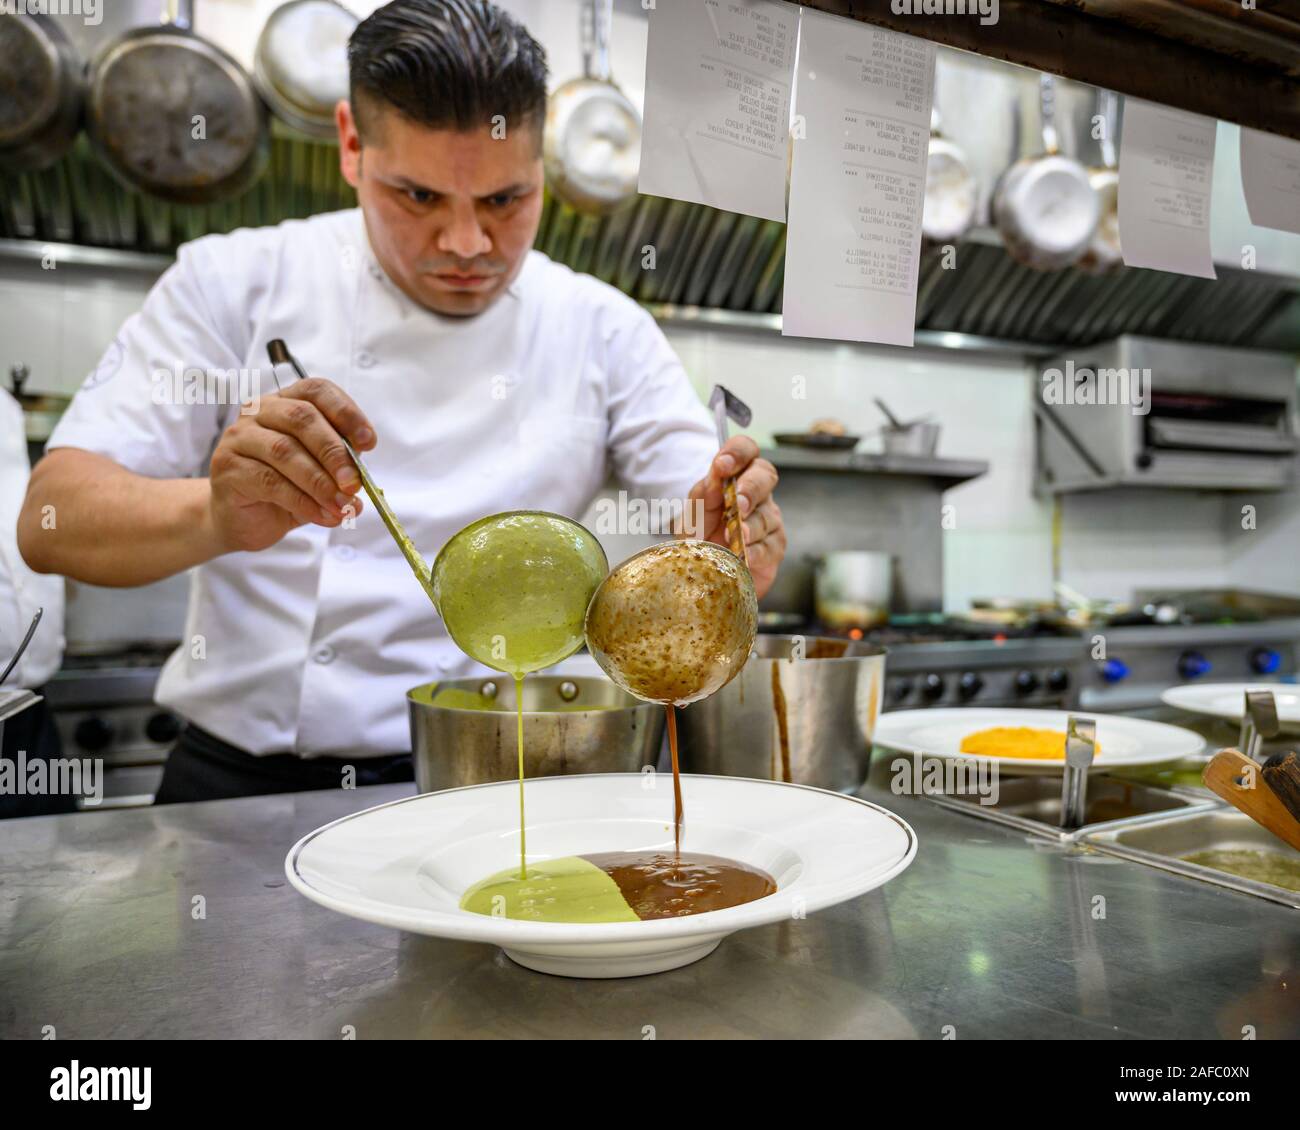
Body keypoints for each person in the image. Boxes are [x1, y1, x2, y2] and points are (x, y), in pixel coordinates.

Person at [17, 0, 786, 804]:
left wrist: (736, 532)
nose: (466, 245)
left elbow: (701, 513)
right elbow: (49, 522)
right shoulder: (233, 281)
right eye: (418, 196)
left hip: (504, 778)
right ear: (351, 144)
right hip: (247, 793)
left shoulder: (604, 326)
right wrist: (213, 514)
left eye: (505, 201)